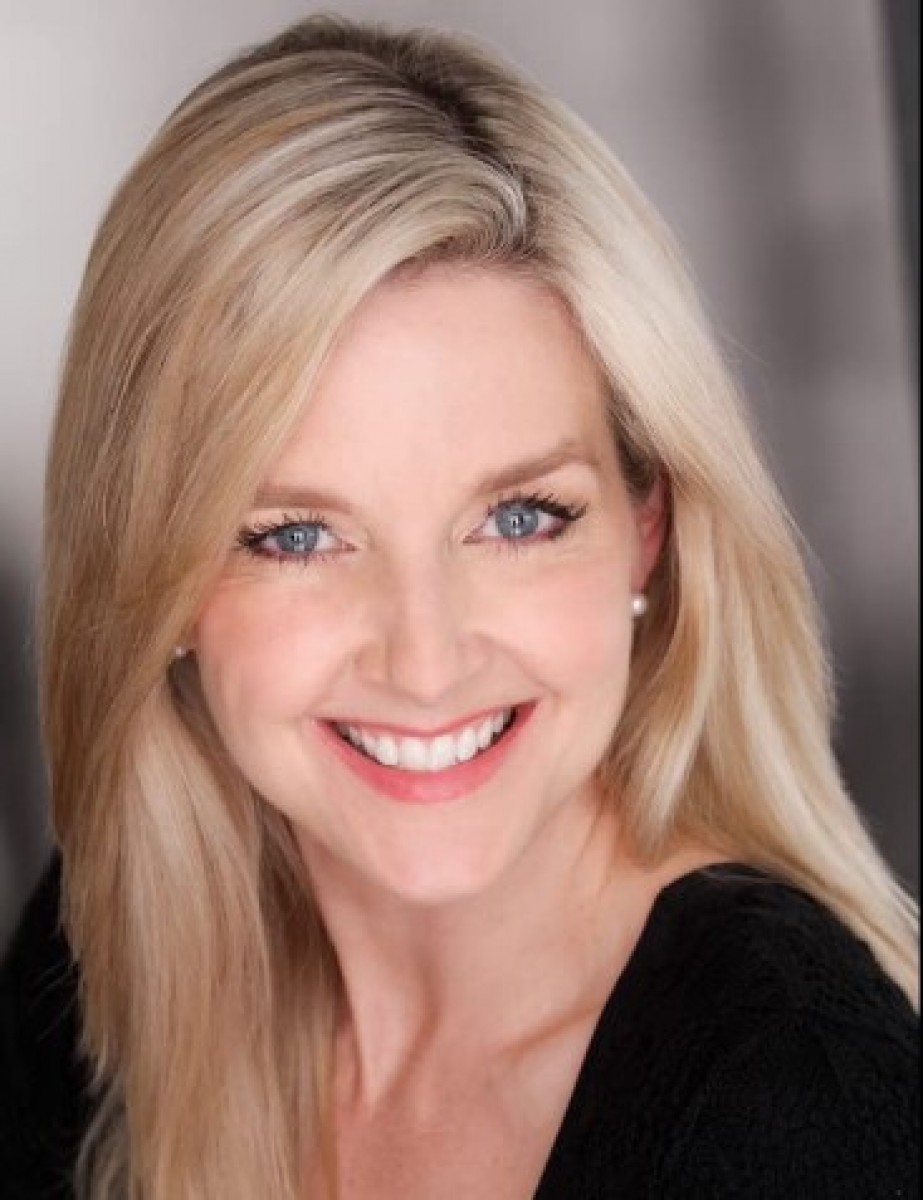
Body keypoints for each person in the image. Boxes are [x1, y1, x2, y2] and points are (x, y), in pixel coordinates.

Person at [0, 14, 918, 1200]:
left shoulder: (797, 1098)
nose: (426, 661)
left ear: (646, 529)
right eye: (297, 536)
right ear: (158, 580)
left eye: (519, 517)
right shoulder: (92, 977)